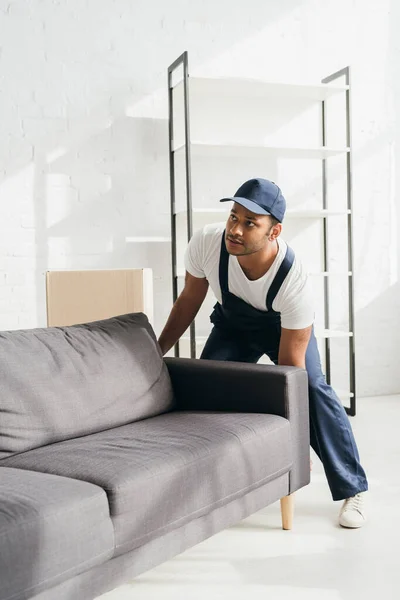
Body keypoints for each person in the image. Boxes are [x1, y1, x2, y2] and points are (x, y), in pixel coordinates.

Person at [158, 178, 368, 528]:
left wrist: (297, 443)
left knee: (313, 390)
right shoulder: (208, 243)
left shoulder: (293, 280)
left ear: (274, 232)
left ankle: (353, 488)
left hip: (282, 329)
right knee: (204, 390)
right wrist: (157, 350)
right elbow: (188, 302)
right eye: (233, 217)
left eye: (250, 223)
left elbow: (291, 375)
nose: (235, 229)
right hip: (233, 325)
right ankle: (206, 484)